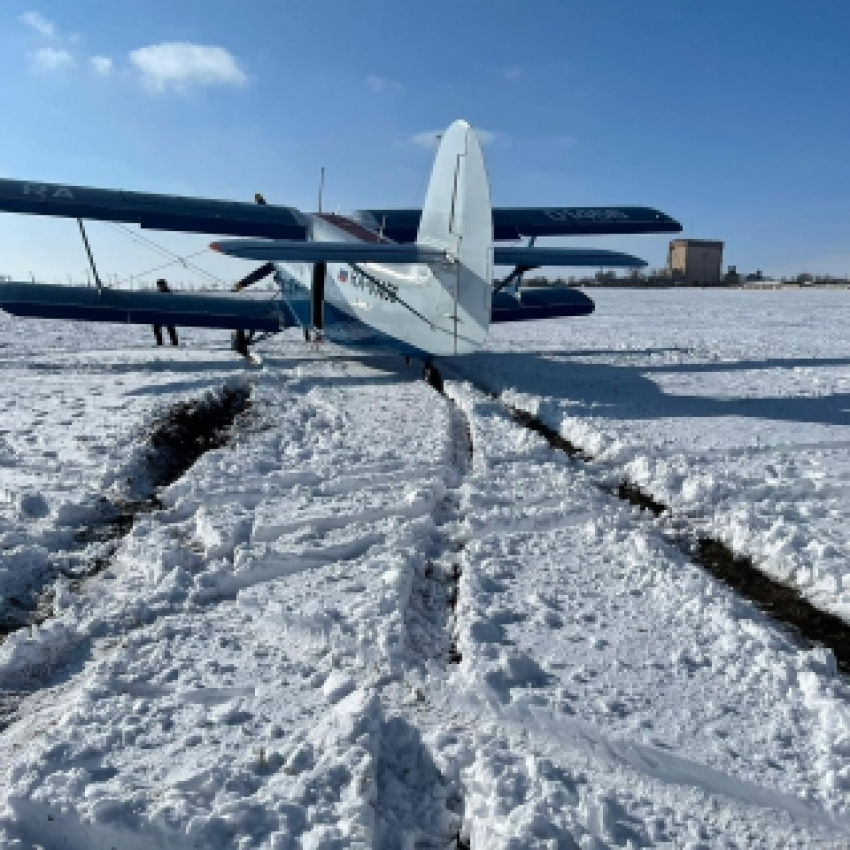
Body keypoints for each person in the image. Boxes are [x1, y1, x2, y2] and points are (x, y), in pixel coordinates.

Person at [152, 278, 179, 346]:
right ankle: (159, 342)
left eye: (161, 285)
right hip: (160, 313)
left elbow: (172, 302)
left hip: (168, 313)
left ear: (164, 285)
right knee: (156, 328)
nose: (159, 287)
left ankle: (174, 342)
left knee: (170, 328)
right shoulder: (158, 293)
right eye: (158, 285)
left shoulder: (168, 292)